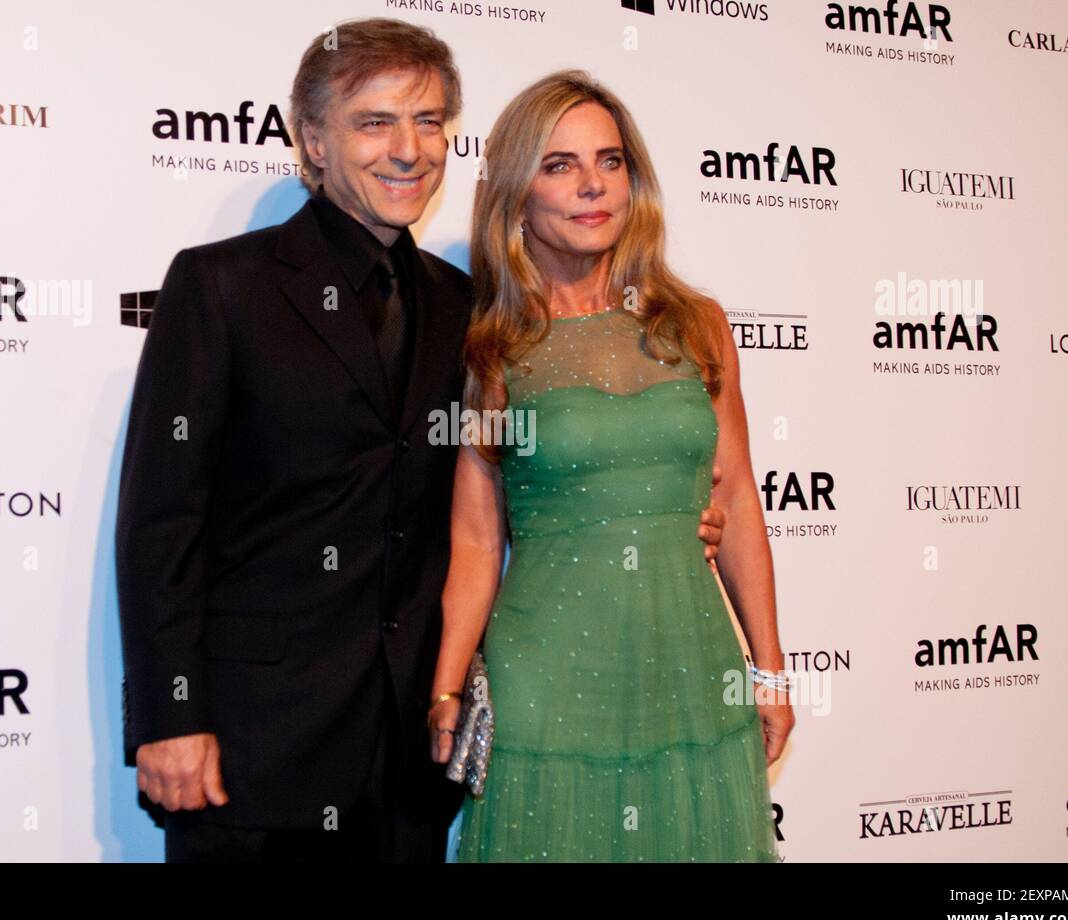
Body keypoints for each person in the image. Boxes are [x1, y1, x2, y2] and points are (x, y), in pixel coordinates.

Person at [116, 19, 728, 862]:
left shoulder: (471, 311)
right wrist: (171, 716)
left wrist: (665, 515)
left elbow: (520, 486)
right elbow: (161, 524)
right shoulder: (222, 286)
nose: (409, 149)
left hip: (415, 751)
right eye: (376, 122)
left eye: (431, 121)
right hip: (255, 749)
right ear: (314, 141)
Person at [430, 70, 793, 862]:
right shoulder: (497, 349)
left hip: (692, 668)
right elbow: (476, 536)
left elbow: (739, 500)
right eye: (559, 165)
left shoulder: (696, 325)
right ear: (517, 193)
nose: (592, 185)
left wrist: (769, 671)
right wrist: (449, 687)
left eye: (610, 160)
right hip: (547, 682)